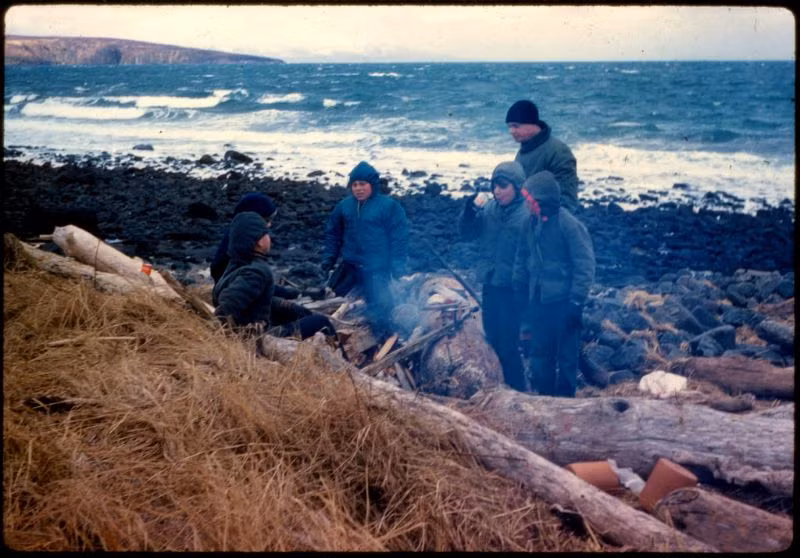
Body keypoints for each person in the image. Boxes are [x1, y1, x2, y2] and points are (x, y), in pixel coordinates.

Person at [513, 170, 595, 397]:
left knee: (568, 358)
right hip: (539, 301)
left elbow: (585, 266)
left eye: (529, 199)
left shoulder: (570, 226)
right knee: (540, 355)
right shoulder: (529, 223)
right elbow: (521, 256)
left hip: (564, 303)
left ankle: (566, 402)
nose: (526, 204)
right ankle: (545, 398)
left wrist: (576, 302)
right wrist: (519, 287)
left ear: (541, 200)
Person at [458, 161, 529, 391]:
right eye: (494, 186)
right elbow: (467, 234)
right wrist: (468, 212)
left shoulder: (527, 214)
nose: (497, 191)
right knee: (491, 337)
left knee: (508, 343)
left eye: (503, 186)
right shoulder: (489, 209)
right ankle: (500, 387)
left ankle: (518, 390)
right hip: (490, 282)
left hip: (514, 288)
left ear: (517, 187)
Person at [321, 161, 409, 340]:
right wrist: (329, 259)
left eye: (363, 184)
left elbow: (399, 239)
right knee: (328, 300)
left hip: (376, 268)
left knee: (381, 310)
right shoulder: (344, 206)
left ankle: (382, 340)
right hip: (350, 266)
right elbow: (333, 234)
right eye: (354, 184)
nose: (358, 189)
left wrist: (397, 266)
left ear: (373, 185)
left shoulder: (389, 206)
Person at [213, 211, 335, 340]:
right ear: (258, 242)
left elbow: (252, 298)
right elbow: (227, 306)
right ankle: (343, 357)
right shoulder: (257, 272)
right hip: (264, 337)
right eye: (266, 234)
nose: (269, 238)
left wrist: (286, 305)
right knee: (321, 322)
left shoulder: (235, 264)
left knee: (294, 314)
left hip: (253, 328)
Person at [210, 192, 301, 299]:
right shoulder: (241, 247)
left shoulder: (236, 235)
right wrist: (285, 293)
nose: (270, 224)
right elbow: (251, 283)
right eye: (267, 220)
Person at [506, 99, 580, 212]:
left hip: (548, 218)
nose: (511, 131)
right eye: (509, 127)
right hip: (526, 216)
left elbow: (568, 198)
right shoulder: (524, 151)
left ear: (532, 124)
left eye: (516, 126)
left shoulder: (558, 152)